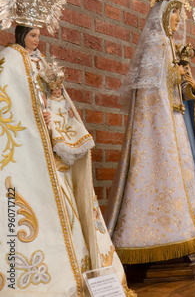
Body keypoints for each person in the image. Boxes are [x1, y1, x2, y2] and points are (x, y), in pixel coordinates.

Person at [0, 24, 132, 295]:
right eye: (33, 35)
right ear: (22, 34)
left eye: (39, 35)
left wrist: (53, 110)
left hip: (52, 148)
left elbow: (53, 98)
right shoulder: (10, 61)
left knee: (67, 213)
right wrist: (38, 116)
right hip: (28, 155)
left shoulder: (41, 62)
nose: (37, 40)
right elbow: (12, 105)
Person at [104, 0, 195, 264]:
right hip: (157, 129)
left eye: (180, 15)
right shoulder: (156, 46)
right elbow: (149, 97)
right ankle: (162, 236)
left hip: (175, 124)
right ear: (161, 15)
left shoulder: (172, 47)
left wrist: (189, 85)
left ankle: (185, 235)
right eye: (174, 14)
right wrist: (172, 91)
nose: (179, 20)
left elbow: (180, 90)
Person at [45, 65, 95, 166]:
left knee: (74, 127)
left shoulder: (63, 99)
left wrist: (70, 112)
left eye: (58, 93)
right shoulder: (50, 99)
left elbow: (68, 107)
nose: (57, 95)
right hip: (55, 118)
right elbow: (47, 106)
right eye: (55, 93)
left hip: (64, 118)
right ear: (51, 92)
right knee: (57, 130)